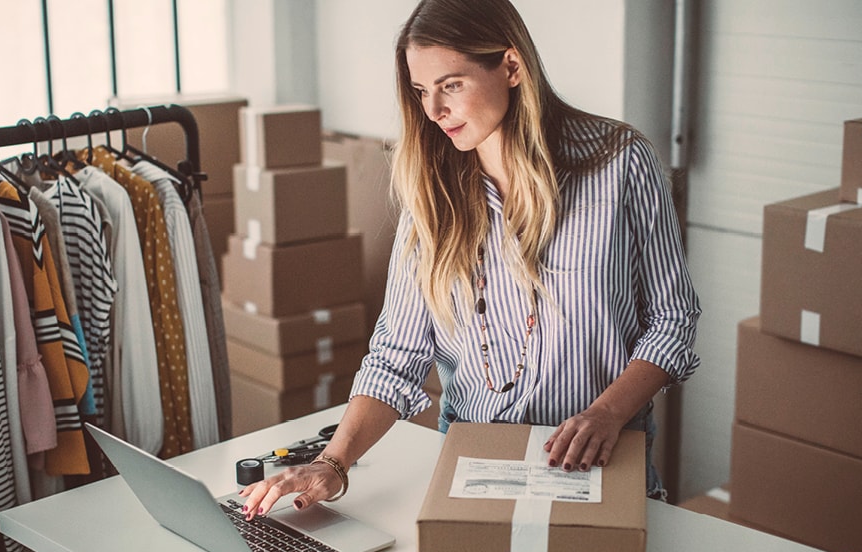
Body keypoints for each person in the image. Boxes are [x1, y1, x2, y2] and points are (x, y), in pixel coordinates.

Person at [240, 0, 700, 519]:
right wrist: (333, 464)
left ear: (511, 66)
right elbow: (397, 355)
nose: (433, 111)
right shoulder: (432, 194)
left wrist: (606, 414)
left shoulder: (620, 163)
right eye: (421, 91)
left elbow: (673, 319)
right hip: (476, 465)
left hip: (601, 462)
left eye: (451, 84)